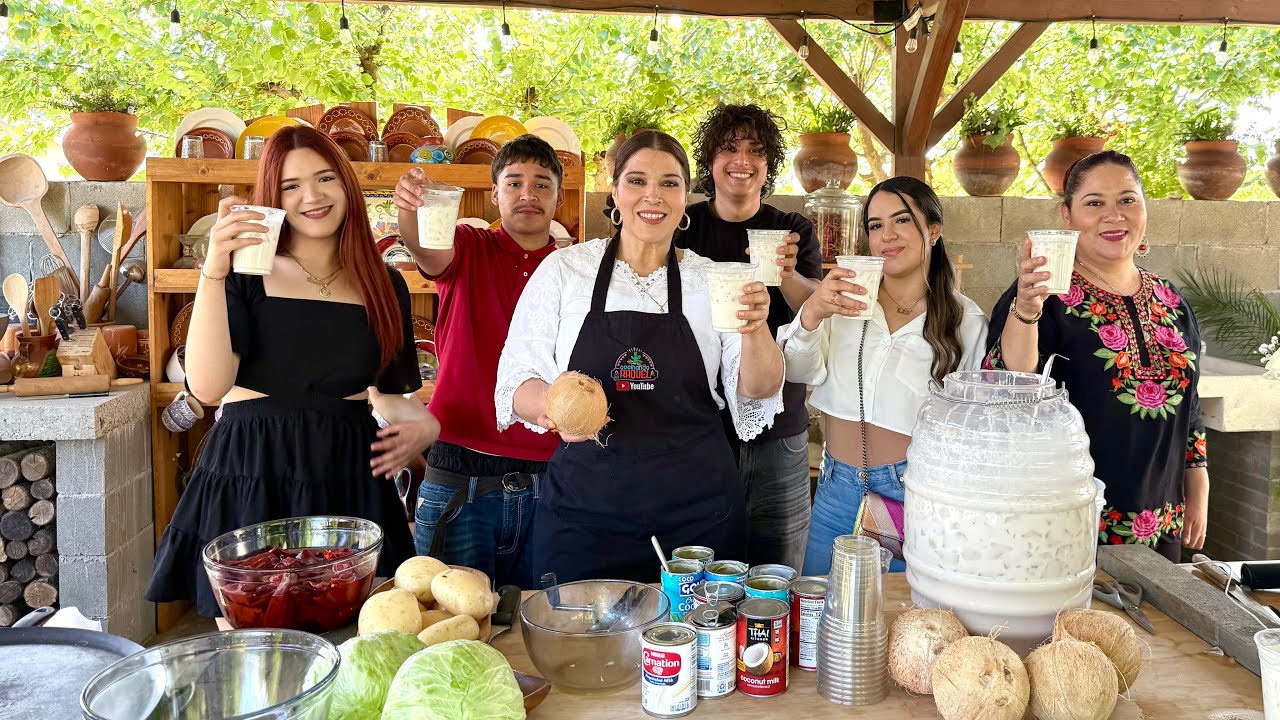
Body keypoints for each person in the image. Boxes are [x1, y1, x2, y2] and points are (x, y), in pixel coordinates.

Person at [147, 126, 437, 616]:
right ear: (272, 197)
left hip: (346, 474)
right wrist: (213, 270)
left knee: (353, 641)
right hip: (253, 469)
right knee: (254, 642)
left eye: (325, 179)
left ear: (347, 185)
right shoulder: (243, 270)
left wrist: (425, 423)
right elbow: (208, 386)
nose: (312, 196)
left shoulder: (383, 280)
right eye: (291, 185)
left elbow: (387, 392)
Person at [495, 130, 785, 583]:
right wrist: (555, 408)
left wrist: (755, 328)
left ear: (685, 197)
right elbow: (517, 379)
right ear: (615, 192)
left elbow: (759, 387)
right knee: (582, 650)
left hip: (699, 522)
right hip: (585, 519)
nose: (653, 196)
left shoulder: (712, 280)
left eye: (669, 183)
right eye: (637, 181)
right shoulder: (565, 271)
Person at [984, 150, 1208, 561]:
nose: (1114, 215)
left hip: (1164, 517)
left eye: (1127, 199)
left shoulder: (1172, 299)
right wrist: (1027, 310)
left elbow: (1189, 404)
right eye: (1094, 203)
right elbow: (1011, 389)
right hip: (1068, 520)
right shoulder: (1043, 297)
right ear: (1066, 215)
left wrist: (1198, 485)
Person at [778, 176, 988, 576]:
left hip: (911, 490)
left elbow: (969, 426)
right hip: (836, 485)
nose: (887, 235)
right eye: (875, 225)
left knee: (898, 616)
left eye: (902, 221)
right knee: (819, 612)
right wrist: (812, 313)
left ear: (934, 230)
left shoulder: (966, 321)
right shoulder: (843, 301)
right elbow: (798, 371)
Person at [393, 135, 564, 587]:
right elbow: (427, 249)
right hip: (459, 474)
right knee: (445, 626)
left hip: (550, 477)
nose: (528, 194)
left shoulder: (573, 269)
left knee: (538, 630)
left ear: (559, 197)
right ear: (495, 194)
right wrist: (409, 209)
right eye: (514, 183)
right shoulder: (469, 246)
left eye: (542, 184)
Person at [681, 103, 823, 570]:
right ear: (709, 161)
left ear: (769, 165)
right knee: (704, 557)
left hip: (778, 419)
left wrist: (785, 273)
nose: (742, 160)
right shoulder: (685, 227)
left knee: (779, 560)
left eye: (756, 151)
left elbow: (813, 307)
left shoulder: (793, 228)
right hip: (701, 423)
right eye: (729, 149)